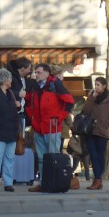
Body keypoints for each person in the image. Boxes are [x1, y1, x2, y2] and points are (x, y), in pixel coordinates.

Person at [25, 63, 75, 191]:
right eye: (36, 72)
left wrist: (59, 117)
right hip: (38, 126)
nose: (37, 74)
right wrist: (32, 117)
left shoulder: (56, 84)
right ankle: (43, 183)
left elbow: (69, 102)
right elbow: (29, 102)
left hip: (52, 127)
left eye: (39, 72)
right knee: (42, 158)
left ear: (47, 73)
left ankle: (54, 182)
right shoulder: (35, 86)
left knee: (53, 157)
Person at [77, 76, 109, 191]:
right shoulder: (92, 97)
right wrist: (91, 98)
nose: (96, 87)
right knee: (93, 154)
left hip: (102, 131)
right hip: (90, 130)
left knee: (100, 156)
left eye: (98, 85)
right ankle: (97, 180)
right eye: (95, 84)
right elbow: (85, 111)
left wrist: (106, 124)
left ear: (104, 86)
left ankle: (98, 180)